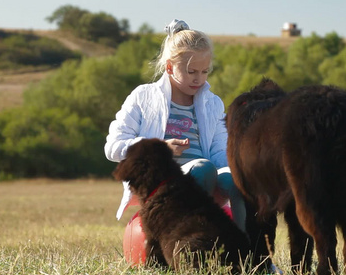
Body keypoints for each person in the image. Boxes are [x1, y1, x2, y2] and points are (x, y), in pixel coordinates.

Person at [104, 19, 246, 232]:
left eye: (205, 71)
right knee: (203, 168)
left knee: (241, 179)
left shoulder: (213, 103)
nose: (199, 79)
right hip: (162, 188)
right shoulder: (143, 97)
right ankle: (192, 245)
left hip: (207, 185)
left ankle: (252, 253)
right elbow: (113, 146)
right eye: (191, 72)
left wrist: (243, 170)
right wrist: (159, 149)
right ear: (169, 67)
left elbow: (220, 152)